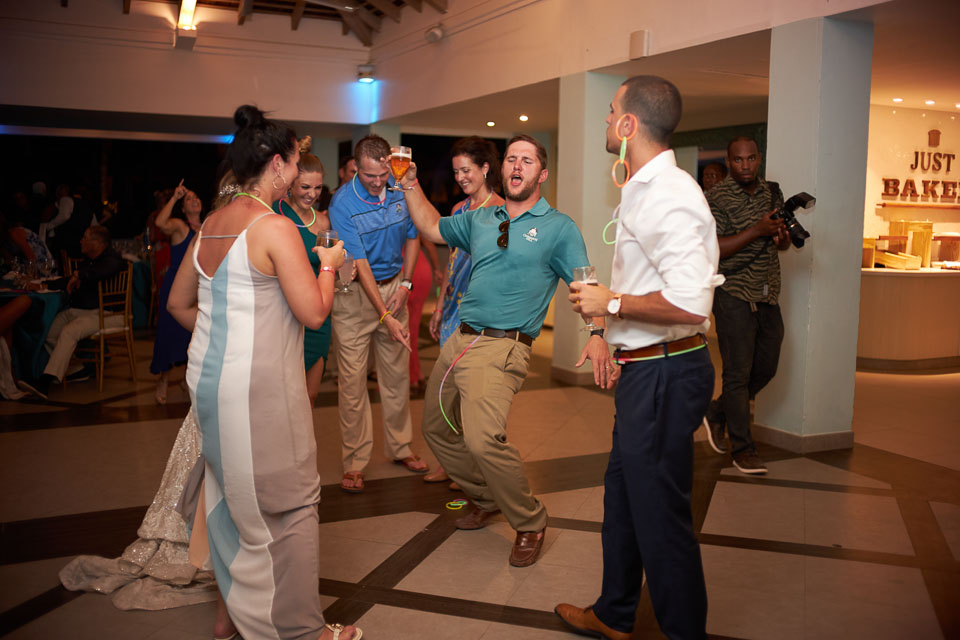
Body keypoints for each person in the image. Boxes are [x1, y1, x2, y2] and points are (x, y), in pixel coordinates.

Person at [166, 104, 359, 640]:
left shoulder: (211, 225)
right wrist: (328, 265)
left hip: (209, 384)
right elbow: (314, 313)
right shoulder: (273, 226)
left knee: (228, 496)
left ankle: (230, 617)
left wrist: (229, 333)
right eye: (295, 161)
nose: (297, 172)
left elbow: (180, 305)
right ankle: (304, 632)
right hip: (260, 388)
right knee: (292, 503)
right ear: (277, 164)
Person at [555, 75, 723, 640]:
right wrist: (605, 328)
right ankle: (615, 613)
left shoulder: (670, 194)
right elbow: (651, 283)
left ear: (629, 124)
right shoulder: (642, 188)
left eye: (611, 112)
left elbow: (690, 304)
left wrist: (611, 302)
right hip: (645, 368)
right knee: (624, 498)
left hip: (666, 373)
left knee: (660, 518)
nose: (606, 120)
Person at [398, 134, 611, 568]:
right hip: (460, 340)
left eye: (527, 160)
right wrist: (409, 183)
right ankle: (485, 497)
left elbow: (585, 282)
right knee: (437, 430)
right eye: (512, 158)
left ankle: (530, 521)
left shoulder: (558, 228)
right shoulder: (481, 218)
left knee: (482, 439)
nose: (516, 165)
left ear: (542, 174)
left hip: (503, 347)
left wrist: (596, 333)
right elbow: (432, 227)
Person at [327, 134, 429, 494]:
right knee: (353, 384)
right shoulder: (342, 204)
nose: (376, 181)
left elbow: (414, 236)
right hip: (355, 297)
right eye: (368, 175)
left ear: (389, 164)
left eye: (381, 174)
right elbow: (360, 263)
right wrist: (384, 314)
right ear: (356, 168)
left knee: (397, 376)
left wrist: (405, 285)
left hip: (394, 288)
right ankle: (355, 462)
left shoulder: (401, 188)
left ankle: (401, 447)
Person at [702, 136, 789, 475]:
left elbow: (779, 244)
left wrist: (780, 237)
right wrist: (757, 229)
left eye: (751, 158)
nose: (745, 165)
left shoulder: (772, 192)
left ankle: (717, 412)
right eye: (738, 160)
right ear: (729, 162)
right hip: (733, 294)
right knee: (737, 374)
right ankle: (743, 449)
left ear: (759, 158)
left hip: (767, 293)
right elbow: (714, 249)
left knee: (766, 367)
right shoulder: (716, 197)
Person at [421, 136, 505, 487]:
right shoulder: (458, 210)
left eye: (466, 170)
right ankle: (451, 462)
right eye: (456, 171)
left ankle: (476, 465)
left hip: (481, 313)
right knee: (448, 391)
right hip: (453, 307)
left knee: (476, 393)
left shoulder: (501, 211)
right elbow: (454, 260)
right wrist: (439, 305)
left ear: (485, 168)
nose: (460, 177)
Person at [18, 225, 125, 400]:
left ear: (97, 242)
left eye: (85, 237)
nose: (81, 241)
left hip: (109, 314)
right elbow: (70, 280)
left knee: (70, 331)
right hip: (84, 311)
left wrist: (78, 274)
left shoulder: (112, 259)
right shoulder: (89, 261)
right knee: (50, 331)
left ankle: (44, 383)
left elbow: (103, 270)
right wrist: (45, 285)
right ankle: (78, 370)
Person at [273, 137, 335, 406]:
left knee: (310, 395)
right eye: (305, 187)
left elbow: (327, 265)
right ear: (290, 184)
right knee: (284, 396)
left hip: (317, 312)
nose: (312, 194)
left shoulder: (323, 222)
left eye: (318, 187)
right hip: (284, 313)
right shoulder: (276, 214)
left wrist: (342, 265)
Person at [150, 180, 203, 405]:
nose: (194, 200)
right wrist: (175, 196)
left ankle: (186, 379)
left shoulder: (208, 227)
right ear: (183, 208)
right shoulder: (181, 227)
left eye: (196, 197)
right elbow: (160, 222)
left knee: (195, 337)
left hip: (199, 289)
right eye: (189, 199)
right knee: (169, 335)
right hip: (176, 288)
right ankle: (163, 380)